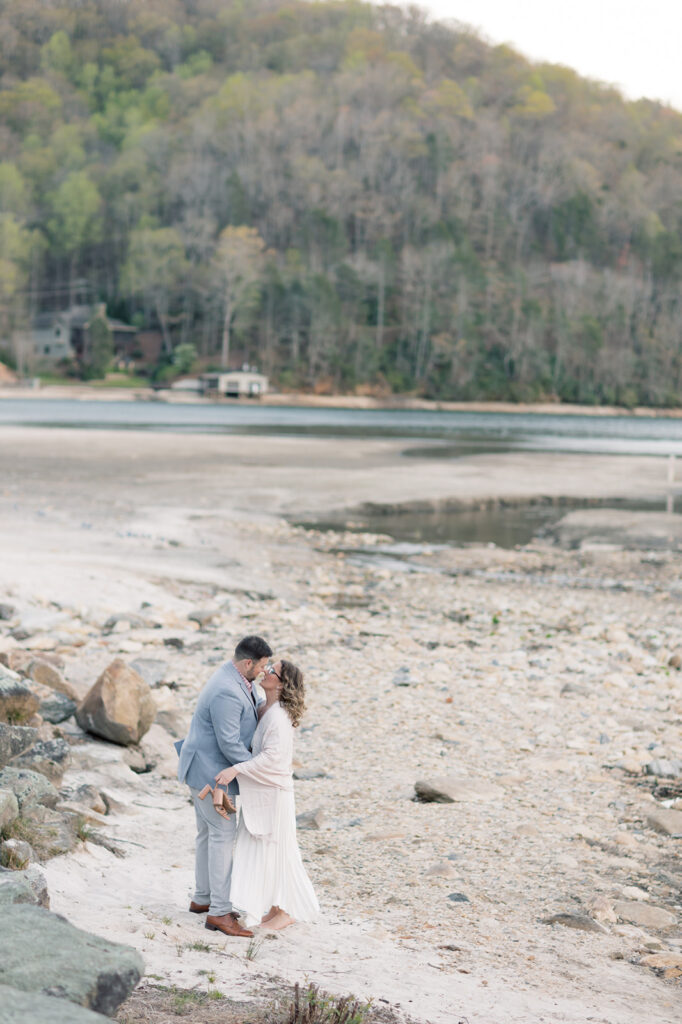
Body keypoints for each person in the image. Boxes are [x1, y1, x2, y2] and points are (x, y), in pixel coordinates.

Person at [176, 634, 272, 937]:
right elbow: (229, 743)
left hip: (203, 767)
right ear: (248, 662)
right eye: (262, 667)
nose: (264, 672)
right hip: (210, 773)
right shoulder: (227, 691)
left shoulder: (236, 679)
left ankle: (203, 899)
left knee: (207, 834)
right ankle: (219, 912)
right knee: (221, 835)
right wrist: (257, 770)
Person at [214, 659, 319, 930]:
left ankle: (287, 910)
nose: (267, 671)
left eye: (273, 671)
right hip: (264, 793)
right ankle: (275, 907)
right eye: (268, 666)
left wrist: (235, 770)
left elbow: (273, 759)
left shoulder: (280, 718)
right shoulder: (264, 708)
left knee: (280, 850)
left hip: (276, 795)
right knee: (267, 851)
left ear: (282, 684)